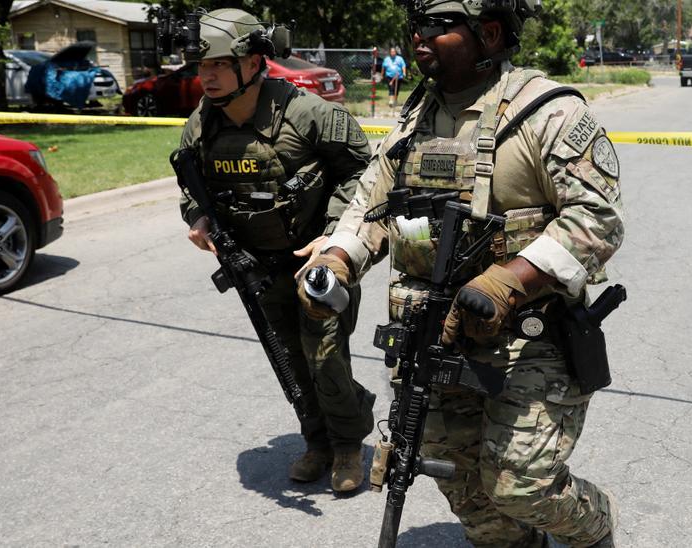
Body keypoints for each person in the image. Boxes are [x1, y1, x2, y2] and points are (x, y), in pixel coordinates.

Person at [299, 0, 624, 545]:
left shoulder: (549, 110)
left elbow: (598, 217)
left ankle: (594, 526)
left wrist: (509, 280)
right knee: (466, 486)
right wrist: (337, 259)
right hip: (431, 336)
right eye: (416, 25)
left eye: (437, 26)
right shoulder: (414, 117)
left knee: (522, 487)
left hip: (530, 337)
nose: (419, 36)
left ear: (489, 34)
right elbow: (370, 205)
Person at [176, 8, 376, 492]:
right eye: (202, 66)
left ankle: (348, 446)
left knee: (325, 355)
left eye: (219, 64)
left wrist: (333, 234)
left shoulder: (309, 113)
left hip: (318, 262)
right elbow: (190, 185)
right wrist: (197, 219)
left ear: (252, 61)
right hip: (256, 266)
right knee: (286, 356)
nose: (208, 76)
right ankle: (318, 442)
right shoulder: (201, 125)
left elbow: (362, 173)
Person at [382, 46, 408, 113]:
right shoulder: (387, 59)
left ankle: (395, 101)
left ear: (395, 52)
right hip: (389, 76)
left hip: (398, 76)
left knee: (397, 89)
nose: (393, 53)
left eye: (394, 52)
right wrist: (382, 75)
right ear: (390, 53)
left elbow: (403, 66)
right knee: (391, 88)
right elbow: (383, 67)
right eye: (391, 52)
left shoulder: (400, 59)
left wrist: (404, 72)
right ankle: (391, 101)